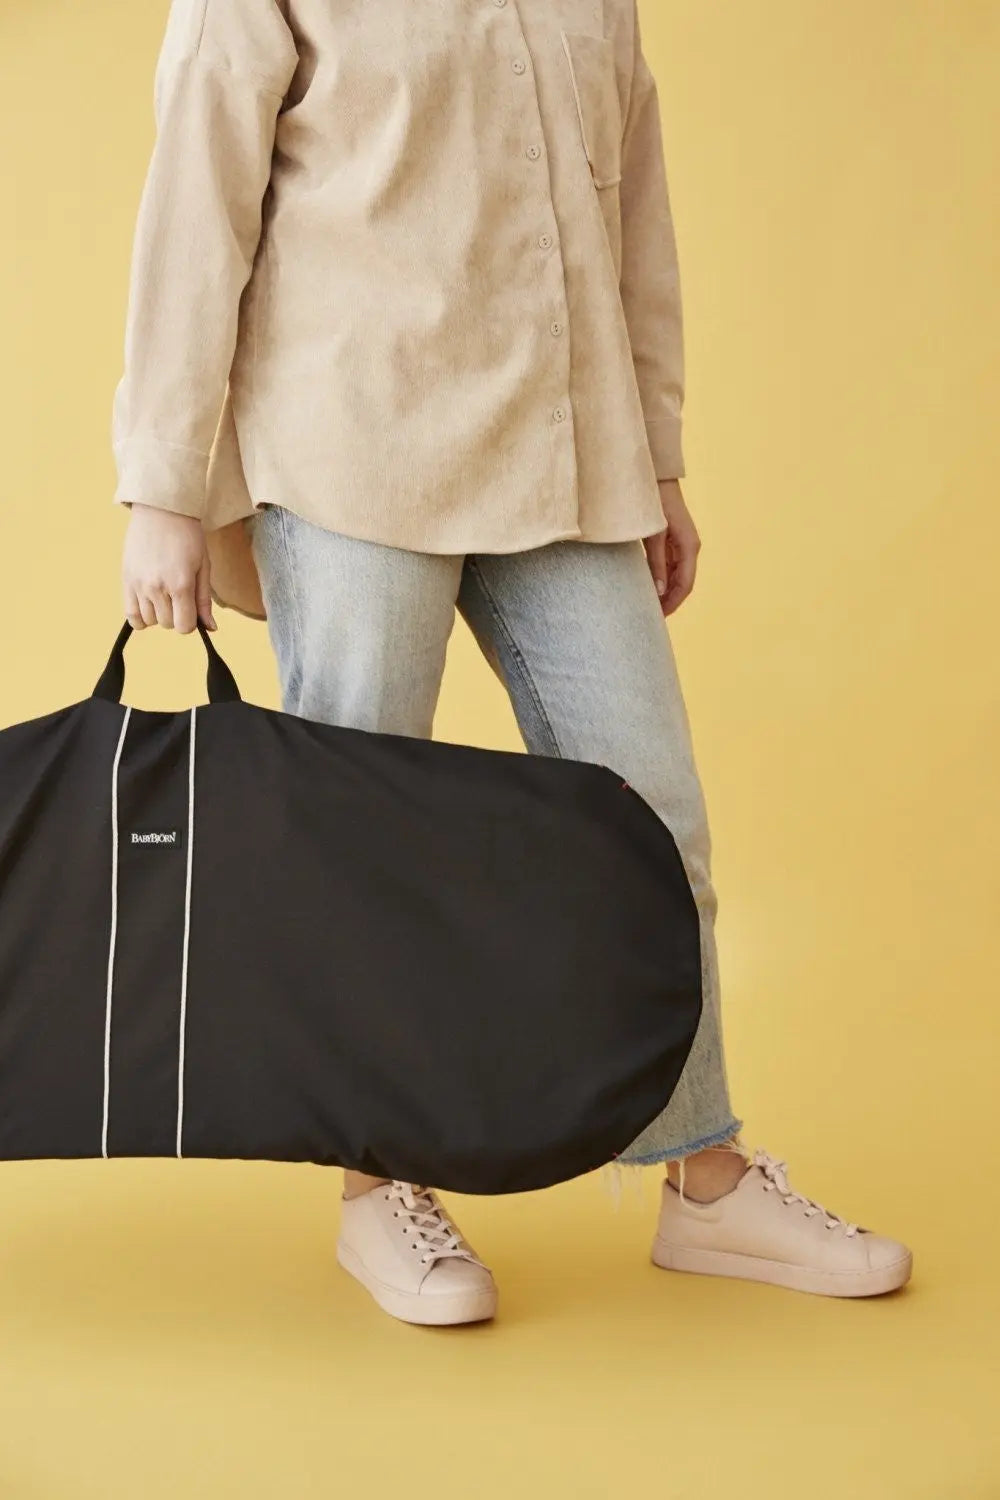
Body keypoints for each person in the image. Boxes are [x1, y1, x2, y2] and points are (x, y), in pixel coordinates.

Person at [112, 0, 912, 1326]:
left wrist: (657, 458)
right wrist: (161, 483)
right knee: (361, 843)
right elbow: (196, 194)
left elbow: (632, 213)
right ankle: (376, 1186)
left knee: (652, 822)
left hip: (564, 442)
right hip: (354, 437)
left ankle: (705, 1179)